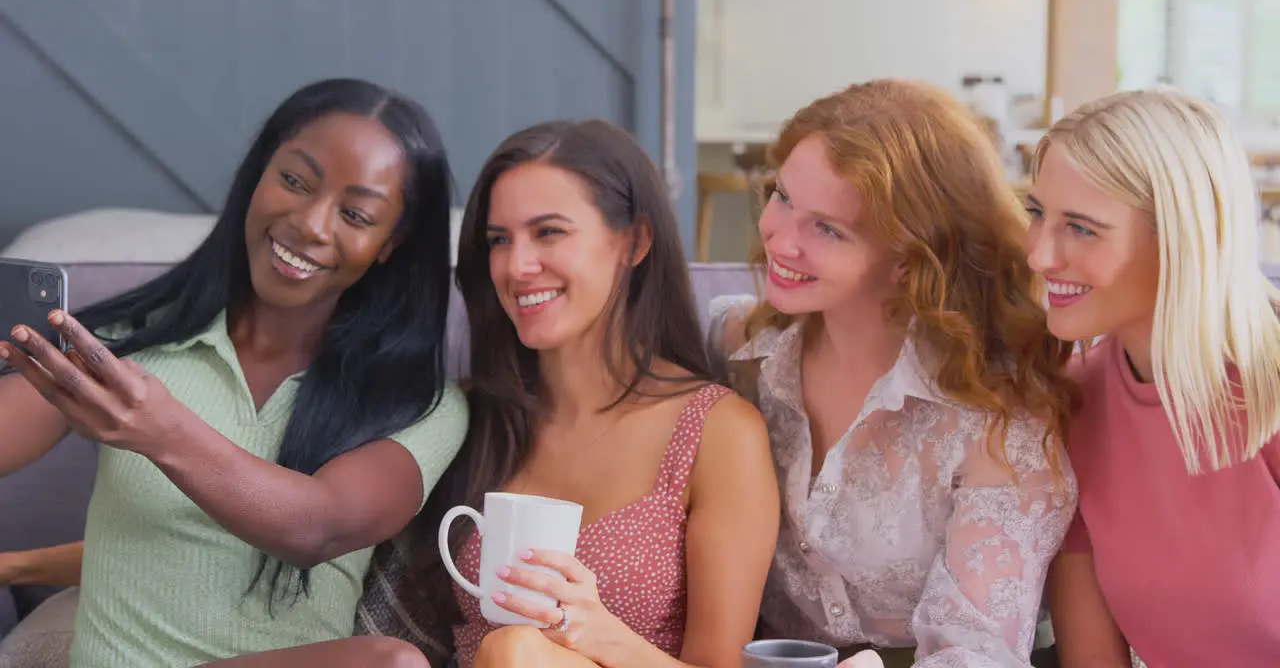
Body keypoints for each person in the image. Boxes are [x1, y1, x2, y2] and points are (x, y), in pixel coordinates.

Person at [0, 77, 469, 667]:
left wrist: (161, 430)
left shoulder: (420, 406)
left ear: (389, 241)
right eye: (294, 181)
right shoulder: (126, 348)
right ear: (258, 176)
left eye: (354, 213)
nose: (312, 224)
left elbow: (317, 529)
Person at [359, 118, 781, 668]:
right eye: (498, 240)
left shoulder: (720, 433)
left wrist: (595, 633)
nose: (517, 266)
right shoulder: (470, 417)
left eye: (549, 232)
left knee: (517, 651)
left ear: (636, 241)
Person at [706, 79, 1080, 668]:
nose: (779, 239)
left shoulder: (1001, 419)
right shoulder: (736, 349)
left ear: (912, 260)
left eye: (827, 229)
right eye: (782, 196)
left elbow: (975, 655)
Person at [1027, 88, 1280, 667]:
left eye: (1082, 228)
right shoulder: (1073, 401)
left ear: (1182, 237)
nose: (1040, 255)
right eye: (1036, 213)